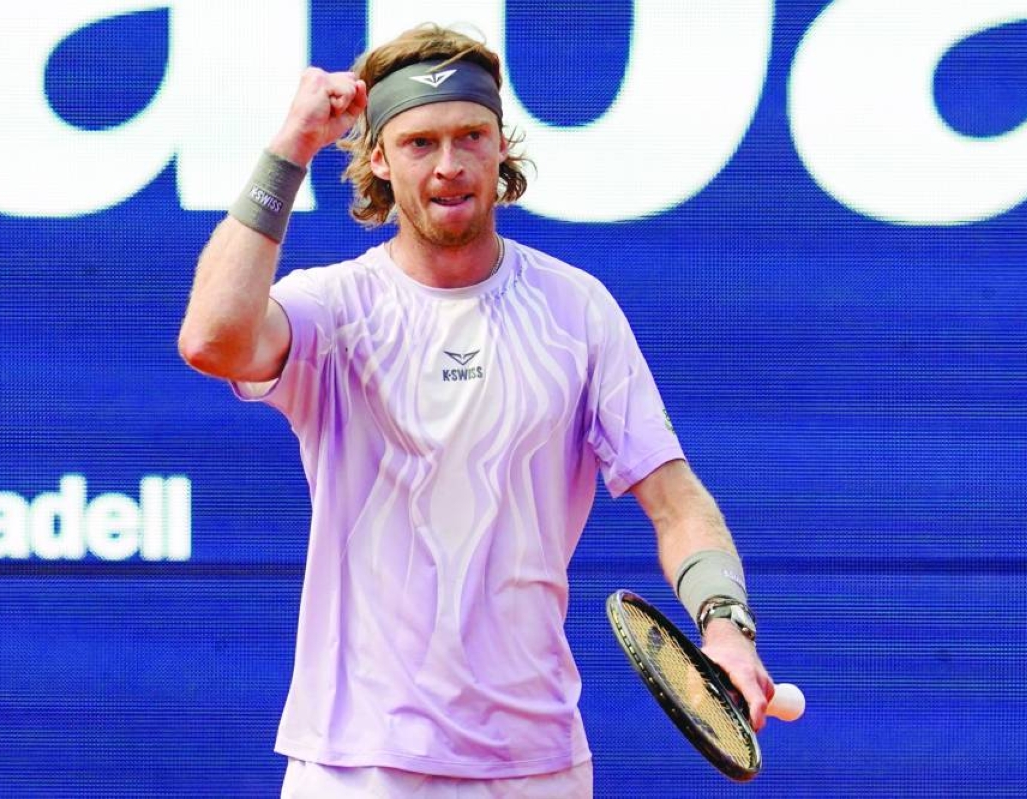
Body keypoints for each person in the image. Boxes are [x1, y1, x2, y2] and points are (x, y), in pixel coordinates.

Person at [178, 22, 776, 798]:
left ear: (502, 148)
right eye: (421, 143)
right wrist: (289, 150)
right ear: (379, 161)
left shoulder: (577, 311)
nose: (451, 166)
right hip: (355, 765)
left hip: (536, 765)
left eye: (471, 136)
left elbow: (677, 503)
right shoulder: (333, 307)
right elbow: (212, 339)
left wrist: (726, 625)